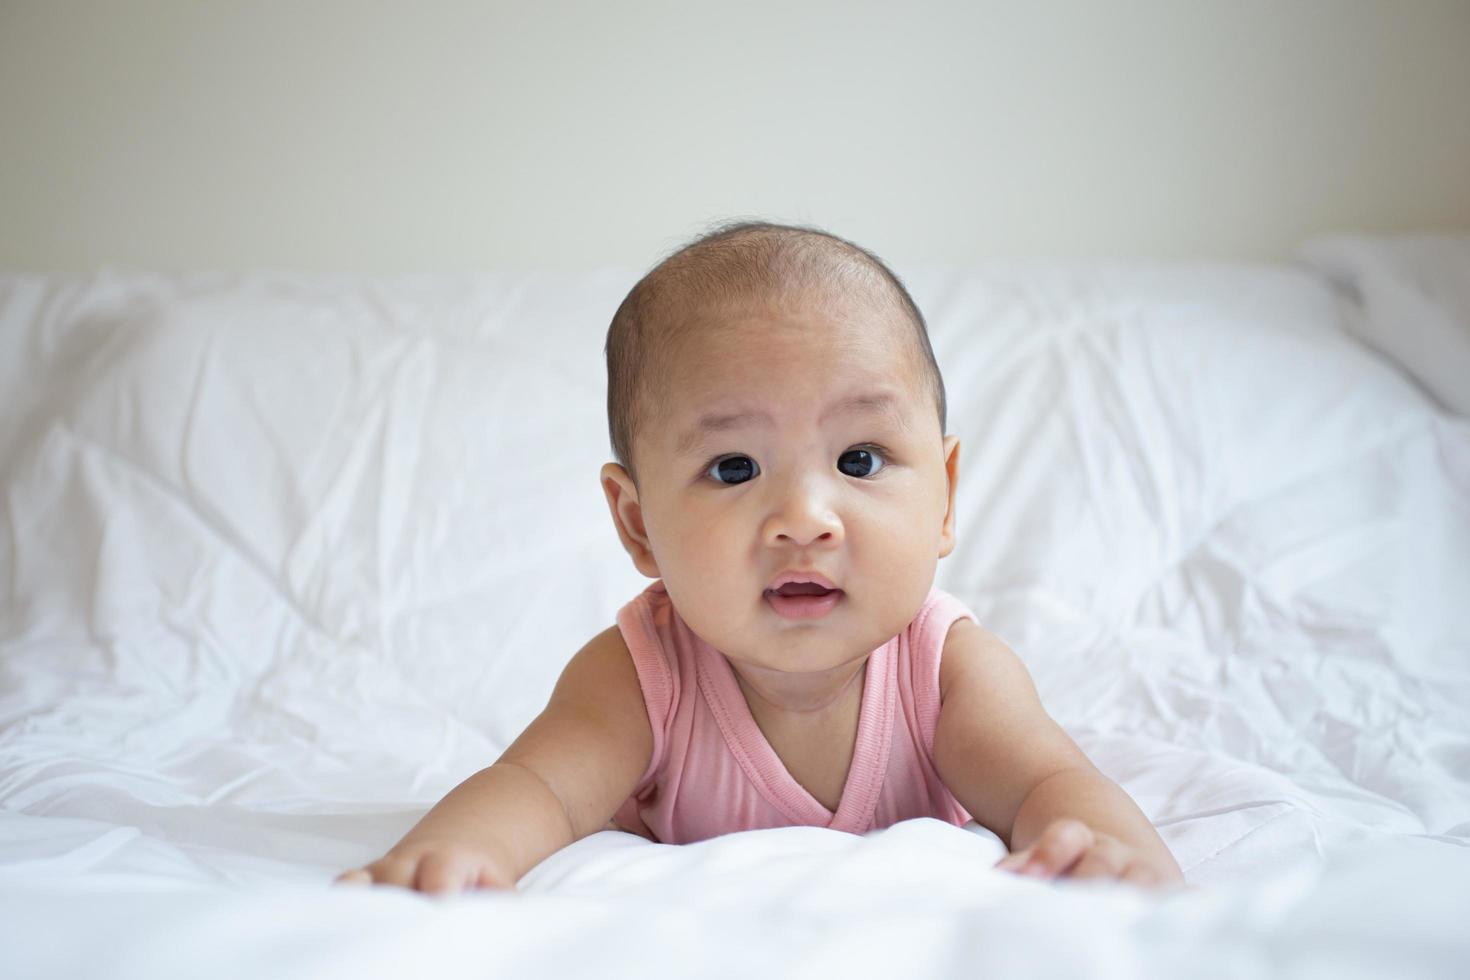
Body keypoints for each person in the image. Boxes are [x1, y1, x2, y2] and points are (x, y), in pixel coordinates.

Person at [336, 221, 1184, 894]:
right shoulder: (642, 674)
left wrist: (1105, 852)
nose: (805, 519)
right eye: (733, 468)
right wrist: (454, 853)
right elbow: (537, 789)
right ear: (637, 527)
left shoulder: (946, 669)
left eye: (859, 460)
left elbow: (1047, 784)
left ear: (946, 499)